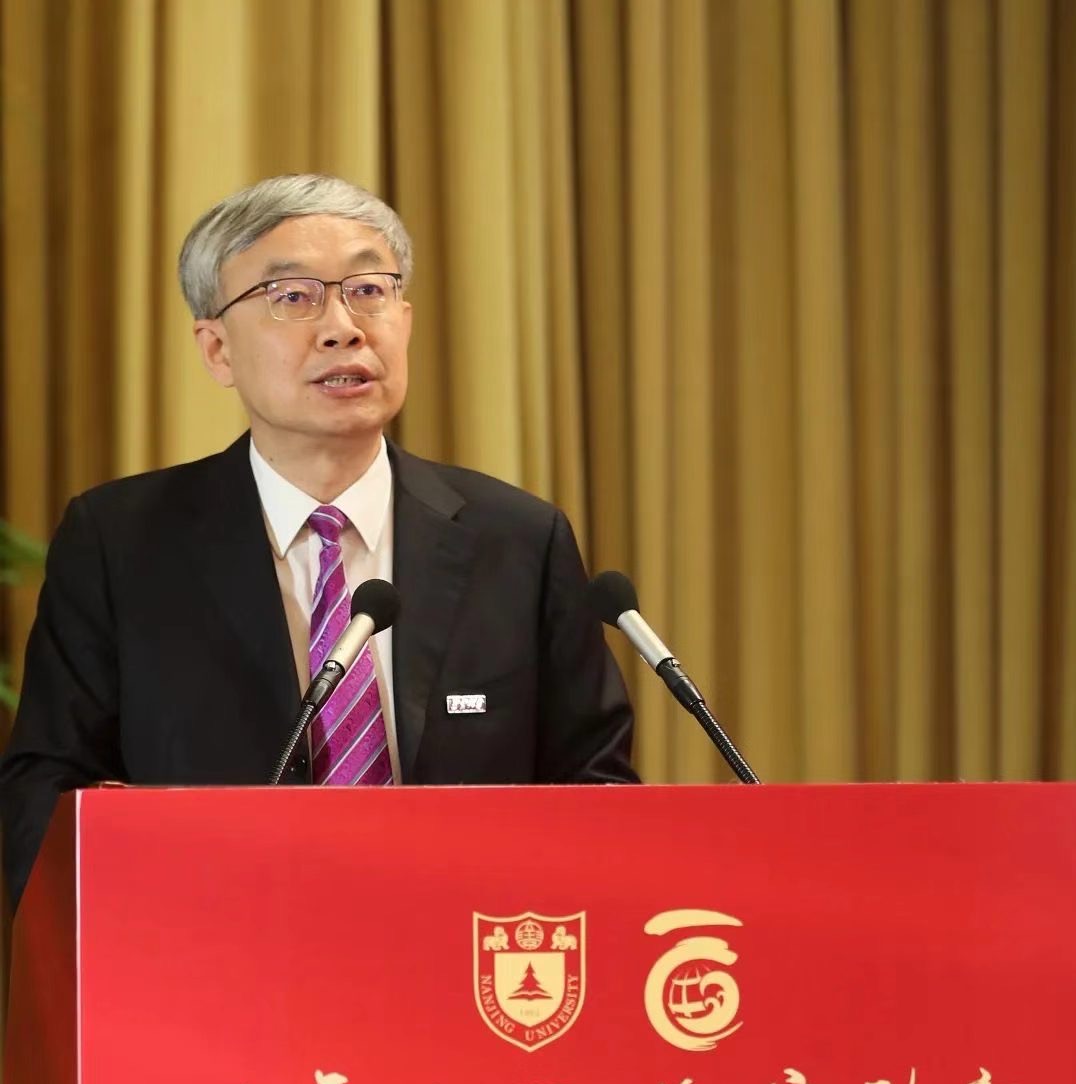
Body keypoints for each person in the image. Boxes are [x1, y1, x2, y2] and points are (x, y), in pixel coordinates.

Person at [0, 174, 636, 906]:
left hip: (461, 949)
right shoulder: (121, 543)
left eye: (368, 290)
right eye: (292, 297)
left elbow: (597, 787)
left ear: (405, 320)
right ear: (217, 349)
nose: (343, 328)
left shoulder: (519, 539)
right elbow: (47, 793)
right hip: (212, 952)